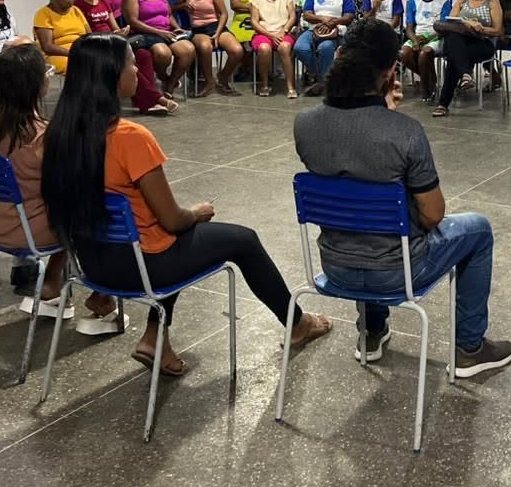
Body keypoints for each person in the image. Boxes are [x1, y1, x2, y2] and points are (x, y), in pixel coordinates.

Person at [42, 34, 331, 376]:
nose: (138, 71)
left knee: (175, 240)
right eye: (131, 63)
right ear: (110, 76)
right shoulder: (130, 138)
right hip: (144, 267)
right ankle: (297, 324)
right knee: (243, 240)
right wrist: (197, 212)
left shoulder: (58, 134)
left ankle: (155, 338)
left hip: (92, 263)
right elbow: (173, 221)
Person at [293, 18, 511, 376]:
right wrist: (387, 118)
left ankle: (371, 332)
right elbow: (433, 216)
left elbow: (352, 164)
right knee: (478, 229)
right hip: (397, 273)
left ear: (340, 57)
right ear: (390, 72)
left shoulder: (304, 124)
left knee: (361, 223)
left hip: (335, 266)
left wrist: (381, 113)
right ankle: (470, 349)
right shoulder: (406, 133)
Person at [0, 43, 123, 331]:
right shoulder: (44, 136)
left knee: (65, 211)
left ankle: (52, 284)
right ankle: (102, 296)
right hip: (28, 230)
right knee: (94, 212)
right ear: (38, 86)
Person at [73, 0, 176, 116]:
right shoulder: (78, 6)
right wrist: (111, 36)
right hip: (96, 45)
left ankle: (144, 100)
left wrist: (121, 32)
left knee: (144, 55)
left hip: (113, 42)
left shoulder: (102, 3)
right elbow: (86, 34)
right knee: (125, 63)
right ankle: (154, 100)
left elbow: (113, 26)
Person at [433, 0, 504, 118]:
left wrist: (480, 28)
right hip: (460, 42)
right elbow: (450, 23)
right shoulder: (461, 0)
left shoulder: (493, 2)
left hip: (482, 43)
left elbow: (497, 30)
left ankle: (443, 103)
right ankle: (465, 75)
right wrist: (468, 23)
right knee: (454, 39)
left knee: (454, 57)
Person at [122, 0, 196, 96]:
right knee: (163, 54)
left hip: (167, 31)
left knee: (188, 49)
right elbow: (133, 21)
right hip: (147, 34)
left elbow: (168, 14)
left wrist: (178, 28)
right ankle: (163, 77)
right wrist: (159, 32)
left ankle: (170, 84)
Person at [175, 0, 243, 98]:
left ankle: (223, 76)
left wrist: (217, 34)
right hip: (198, 29)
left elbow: (223, 13)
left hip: (216, 27)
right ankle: (209, 81)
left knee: (237, 50)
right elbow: (171, 7)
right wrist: (183, 5)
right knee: (205, 47)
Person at [296, 0, 355, 89]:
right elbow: (307, 14)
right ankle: (320, 75)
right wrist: (323, 19)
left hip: (335, 30)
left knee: (326, 47)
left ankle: (322, 82)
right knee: (300, 48)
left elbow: (349, 16)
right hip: (314, 29)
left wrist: (334, 22)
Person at [247, 0, 298, 98]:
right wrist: (271, 35)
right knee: (264, 48)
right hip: (263, 34)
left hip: (283, 32)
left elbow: (292, 17)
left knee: (285, 47)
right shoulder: (256, 0)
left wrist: (283, 31)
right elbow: (254, 22)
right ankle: (264, 84)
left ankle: (290, 86)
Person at [400, 0, 449, 101]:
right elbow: (409, 28)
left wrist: (426, 39)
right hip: (418, 36)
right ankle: (430, 78)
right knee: (404, 53)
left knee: (424, 53)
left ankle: (426, 89)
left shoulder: (444, 0)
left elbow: (444, 28)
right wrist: (415, 40)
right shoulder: (413, 1)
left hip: (436, 37)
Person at [33, 0, 90, 75]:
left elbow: (89, 35)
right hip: (58, 55)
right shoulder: (43, 14)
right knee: (77, 65)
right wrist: (73, 53)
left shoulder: (76, 10)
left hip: (81, 51)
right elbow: (47, 47)